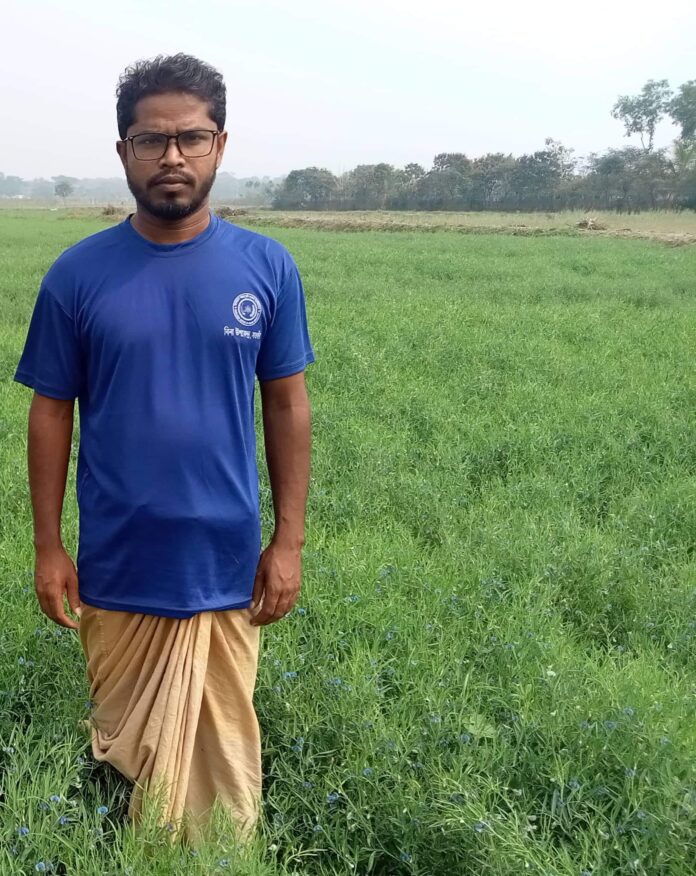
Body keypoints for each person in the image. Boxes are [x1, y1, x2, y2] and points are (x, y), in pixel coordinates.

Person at [13, 52, 315, 845]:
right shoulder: (77, 275)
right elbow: (50, 413)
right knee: (127, 757)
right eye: (152, 140)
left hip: (225, 563)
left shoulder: (266, 267)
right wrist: (48, 546)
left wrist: (288, 542)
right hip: (117, 560)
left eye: (192, 138)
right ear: (124, 151)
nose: (172, 156)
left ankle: (214, 861)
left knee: (220, 766)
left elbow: (287, 404)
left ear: (220, 145)